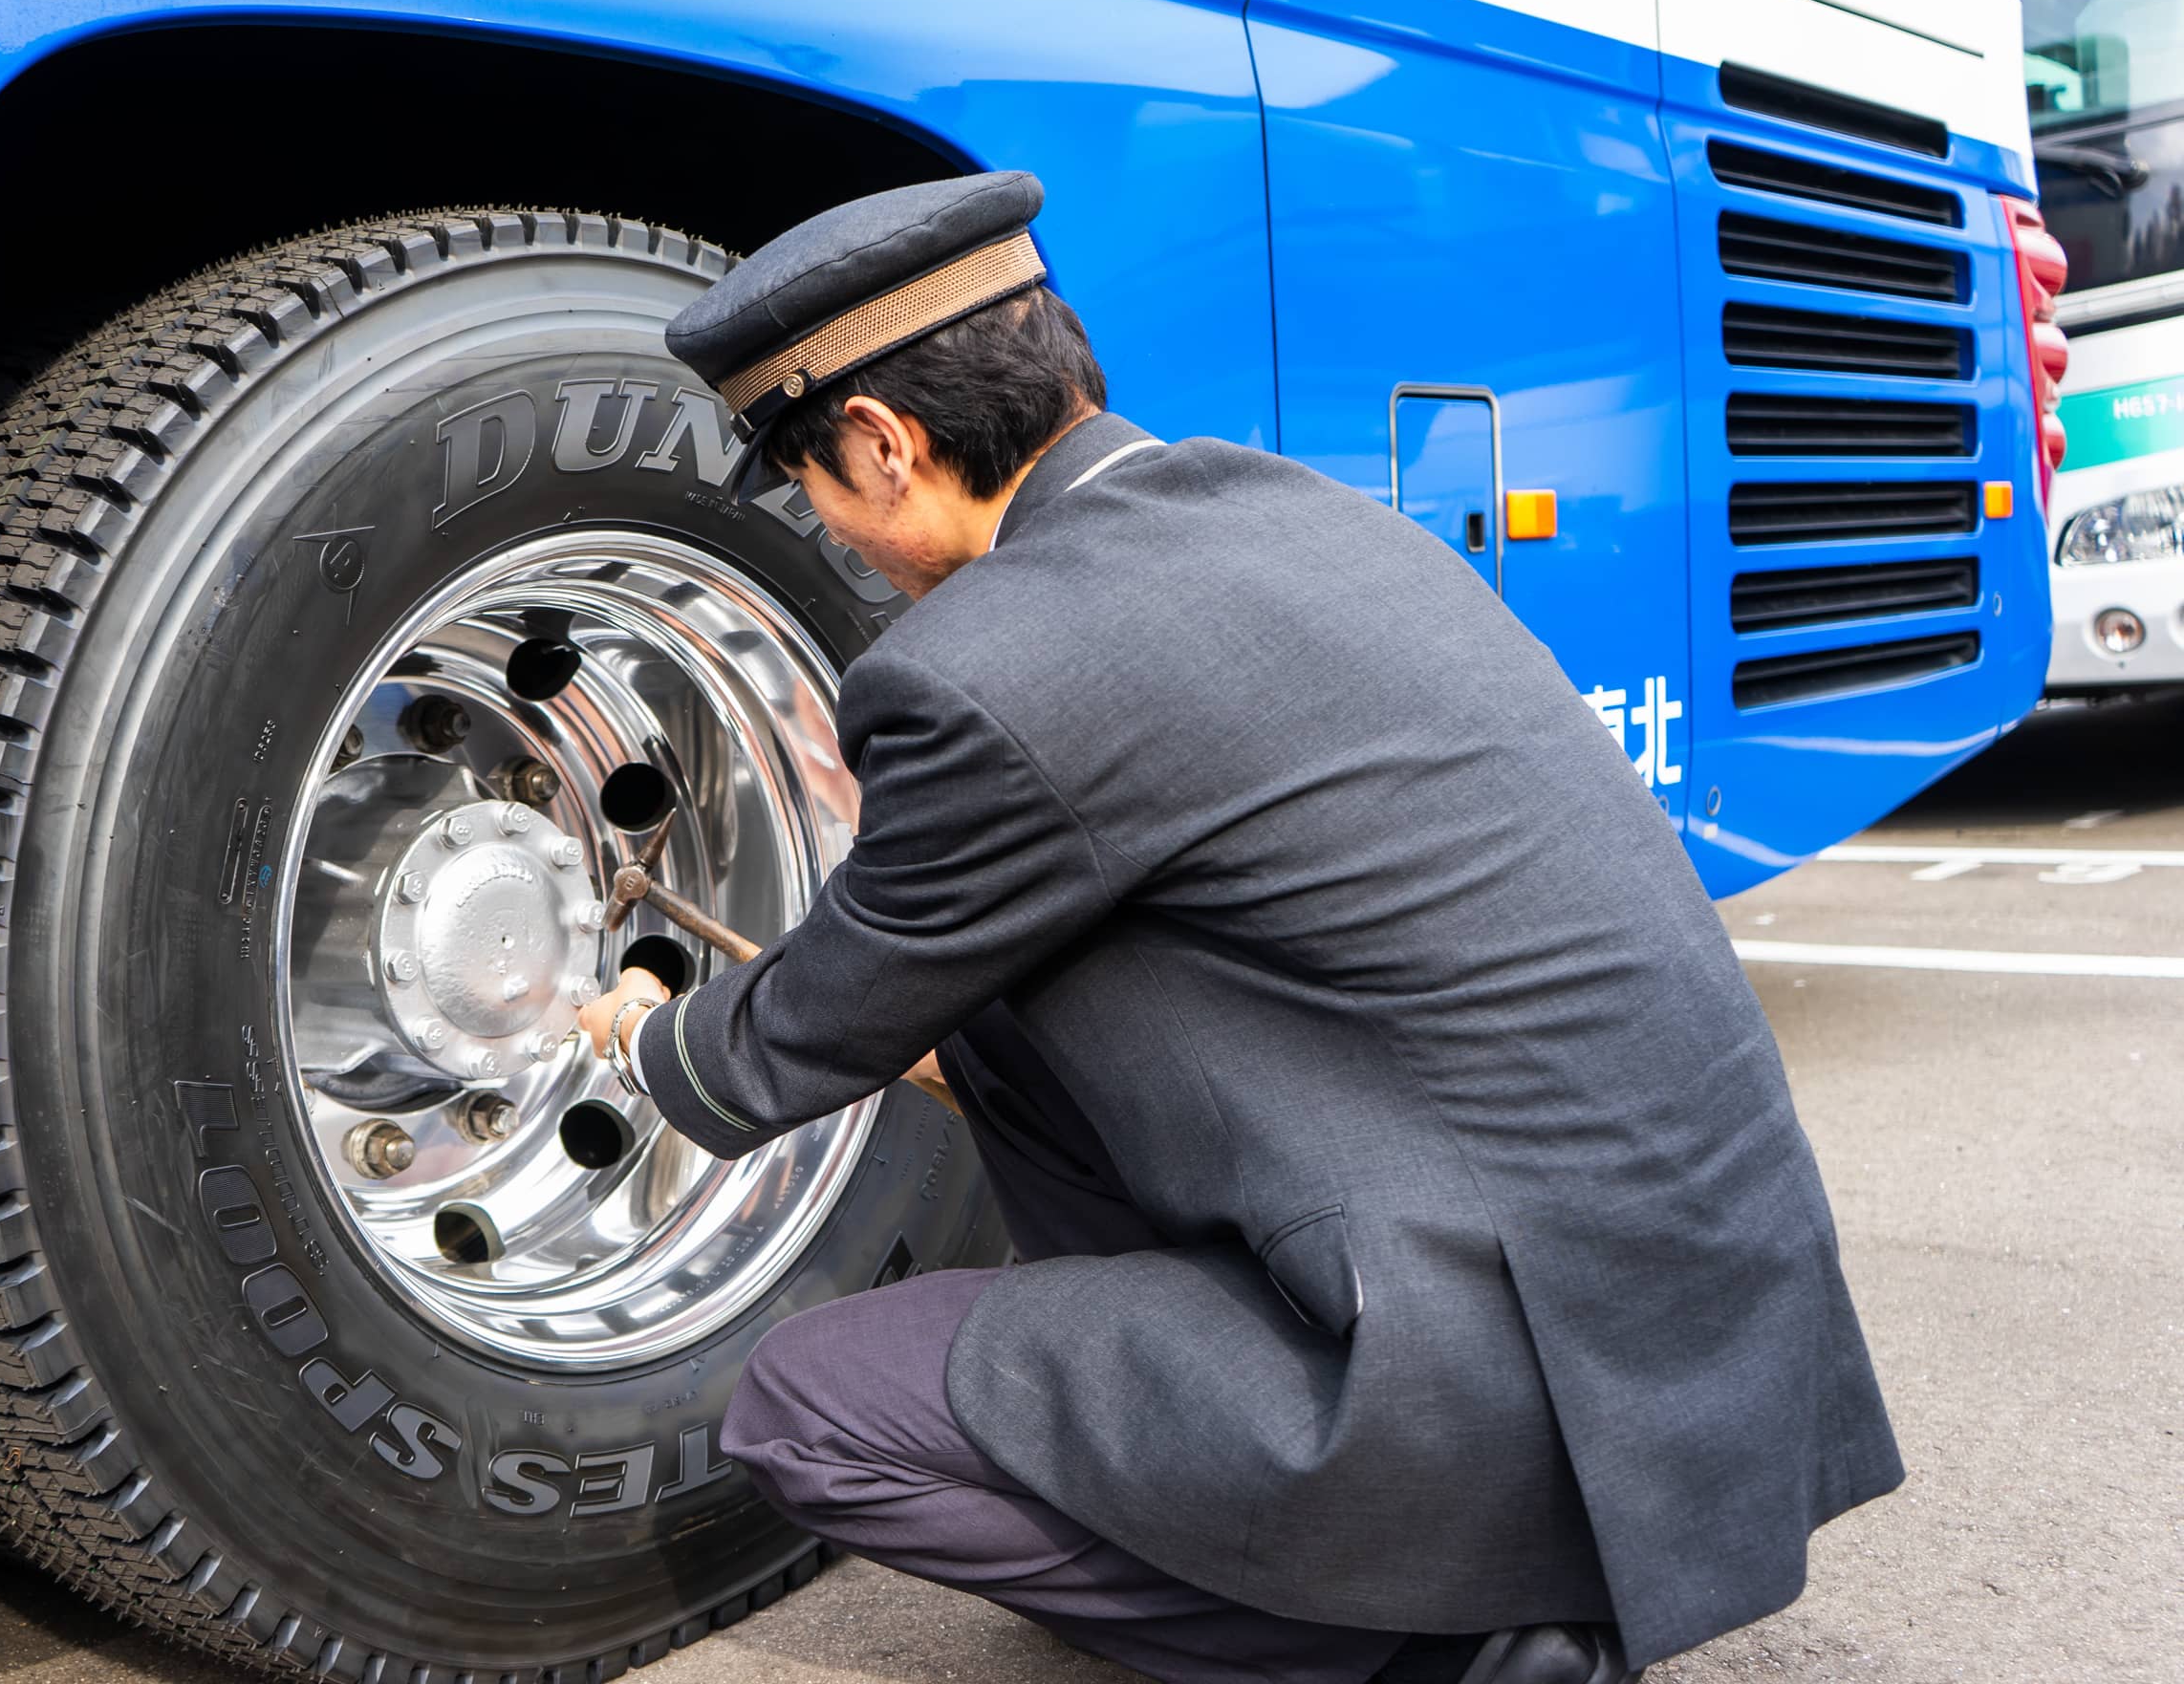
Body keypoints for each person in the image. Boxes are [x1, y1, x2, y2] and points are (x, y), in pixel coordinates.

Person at [576, 172, 1901, 1684]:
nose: (826, 524)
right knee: (1009, 1022)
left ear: (882, 444)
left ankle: (1450, 1652)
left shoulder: (979, 664)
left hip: (1464, 1364)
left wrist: (650, 1033)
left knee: (805, 1411)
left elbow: (800, 1037)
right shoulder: (1319, 521)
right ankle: (1385, 1546)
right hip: (1692, 1342)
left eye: (805, 478)